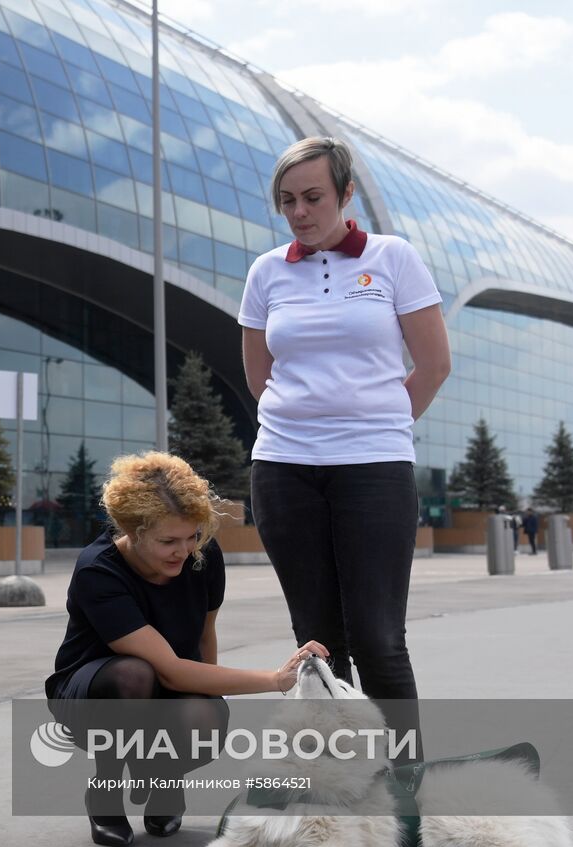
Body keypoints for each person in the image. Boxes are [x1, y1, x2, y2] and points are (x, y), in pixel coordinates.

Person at [239, 136, 450, 758]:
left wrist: (378, 425)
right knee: (318, 640)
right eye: (287, 202)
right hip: (283, 469)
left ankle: (406, 786)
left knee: (380, 637)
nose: (300, 212)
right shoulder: (266, 271)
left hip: (374, 468)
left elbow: (434, 365)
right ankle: (345, 786)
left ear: (345, 193)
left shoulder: (393, 258)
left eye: (312, 197)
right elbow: (260, 378)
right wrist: (302, 426)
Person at [46, 451, 329, 847]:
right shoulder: (98, 571)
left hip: (168, 678)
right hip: (96, 693)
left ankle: (164, 779)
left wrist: (205, 698)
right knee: (133, 674)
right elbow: (168, 671)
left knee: (202, 715)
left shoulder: (202, 555)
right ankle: (106, 791)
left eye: (192, 535)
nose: (184, 550)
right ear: (133, 529)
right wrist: (275, 680)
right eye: (168, 541)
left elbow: (203, 636)